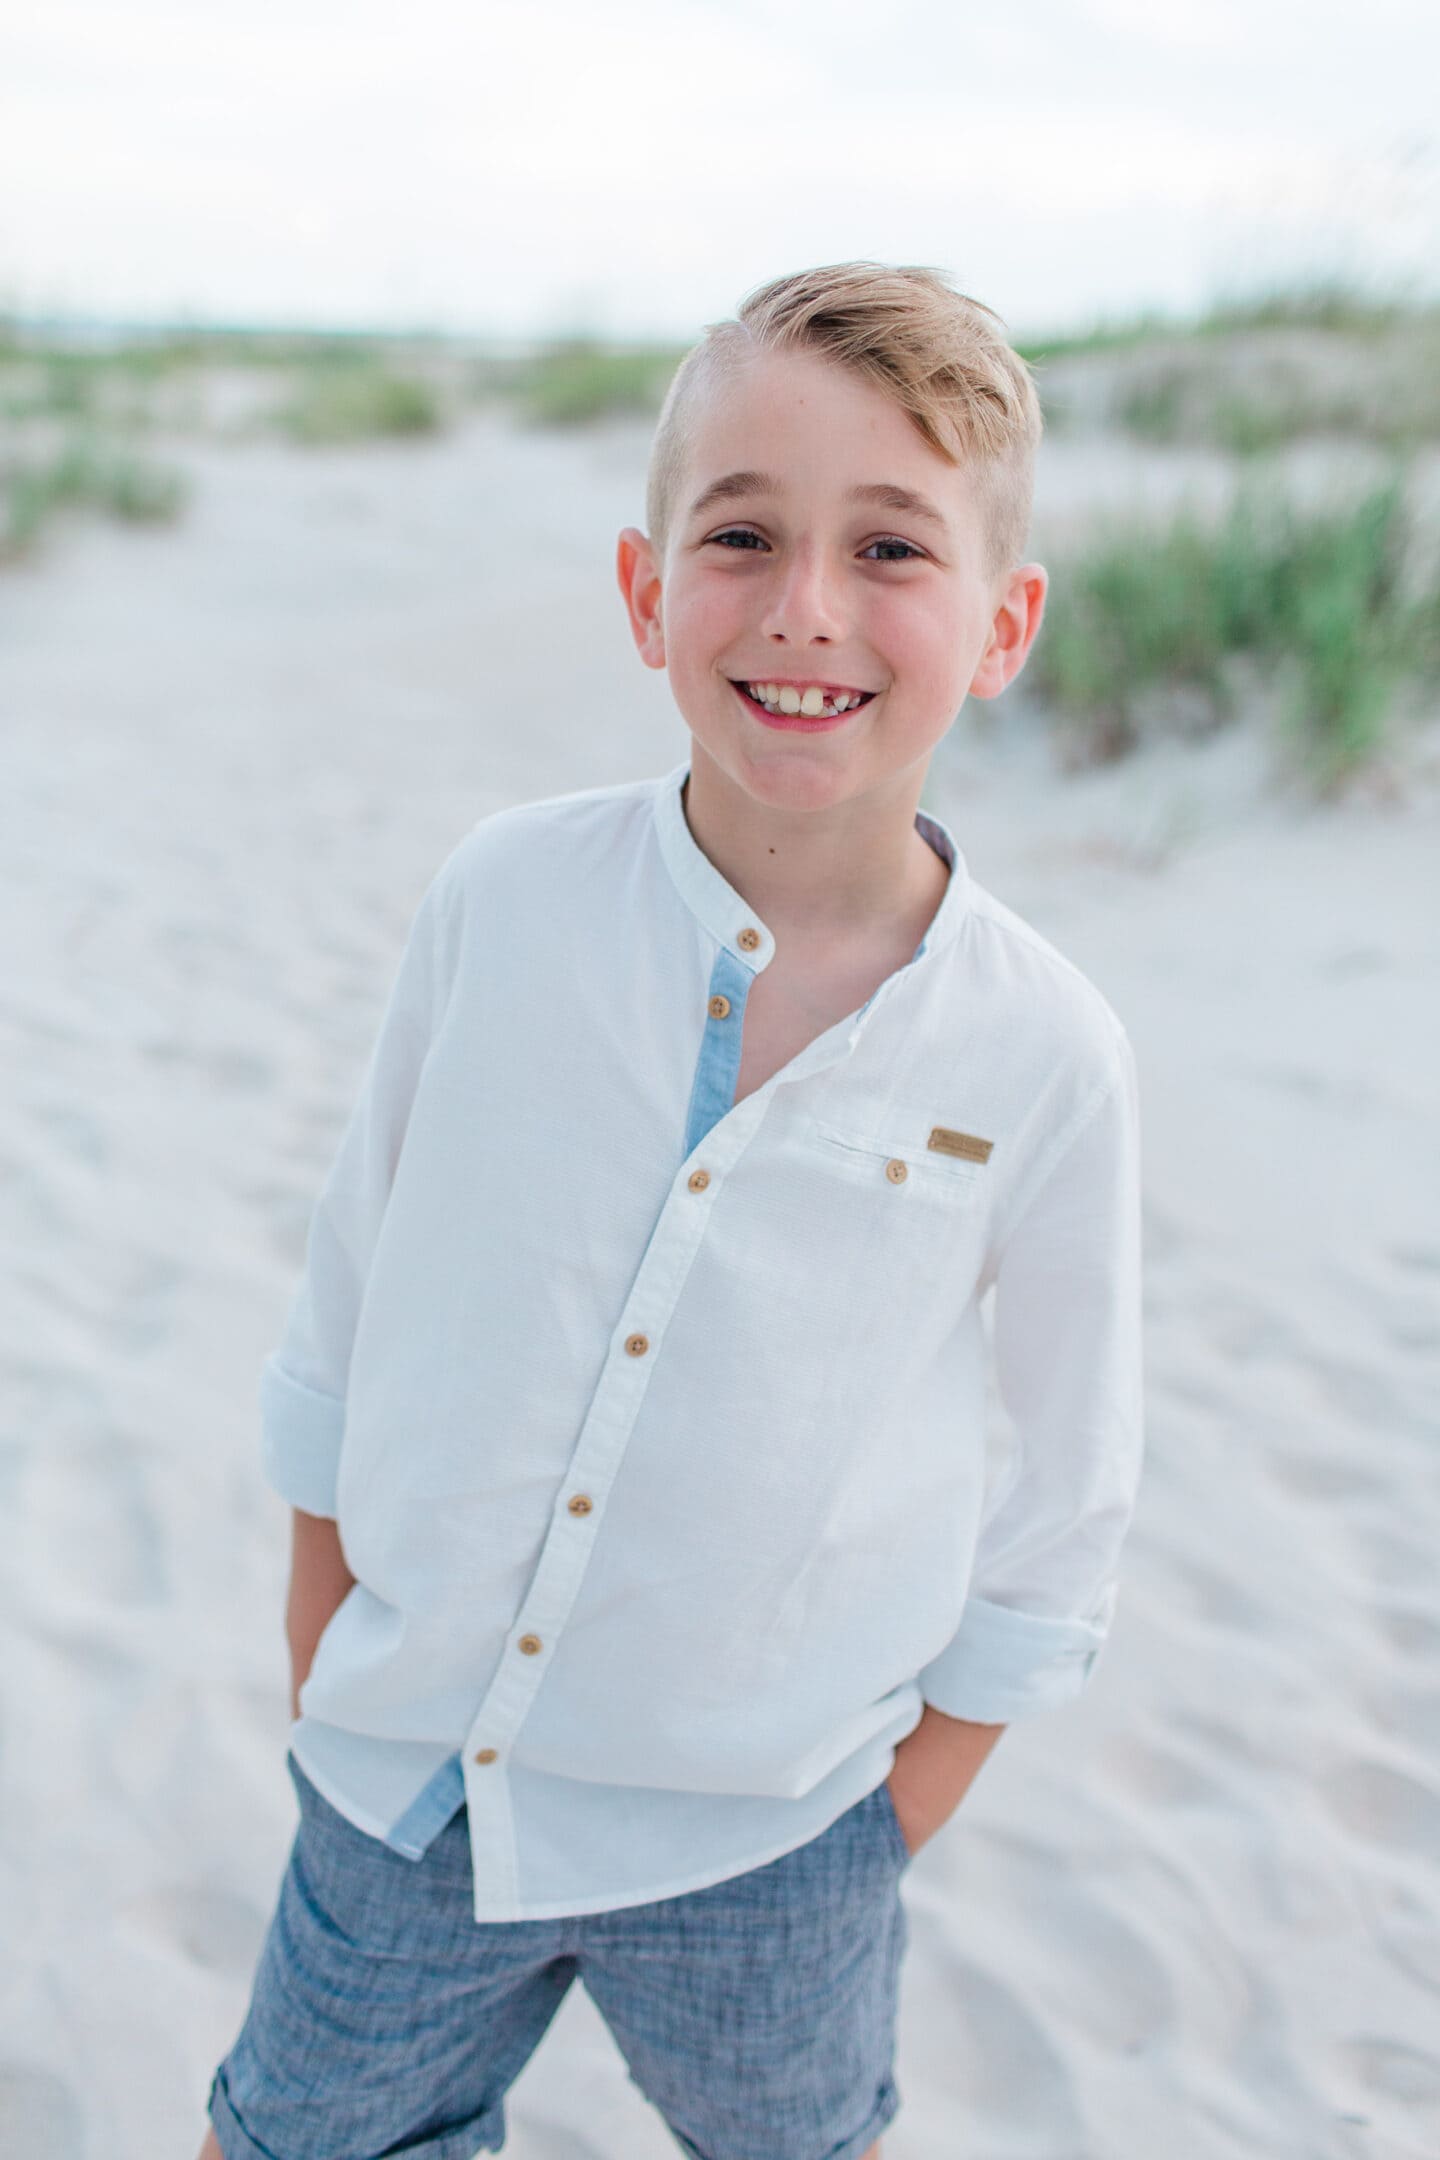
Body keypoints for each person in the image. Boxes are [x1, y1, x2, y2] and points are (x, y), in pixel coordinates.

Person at [199, 259, 1144, 2160]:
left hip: (771, 1839)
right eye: (741, 534)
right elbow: (357, 1283)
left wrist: (884, 1821)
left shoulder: (1043, 1051)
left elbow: (1066, 1499)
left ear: (1005, 622)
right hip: (410, 1786)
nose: (807, 610)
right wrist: (336, 1649)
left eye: (893, 549)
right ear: (647, 593)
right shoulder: (503, 898)